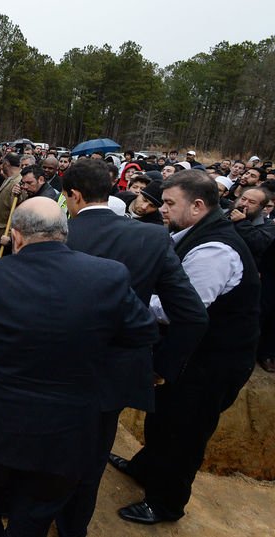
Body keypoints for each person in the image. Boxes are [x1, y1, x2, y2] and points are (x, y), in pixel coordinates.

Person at [0, 197, 159, 537]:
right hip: (69, 426)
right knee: (38, 510)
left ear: (16, 237)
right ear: (65, 233)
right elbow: (143, 332)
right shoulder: (108, 276)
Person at [56, 159, 208, 537]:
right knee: (90, 462)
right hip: (114, 373)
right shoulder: (151, 238)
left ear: (73, 196)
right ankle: (73, 528)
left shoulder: (54, 236)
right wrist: (159, 366)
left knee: (44, 449)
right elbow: (192, 315)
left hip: (52, 370)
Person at [113, 171, 261, 525]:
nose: (160, 209)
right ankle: (146, 467)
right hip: (190, 353)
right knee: (163, 417)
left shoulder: (215, 249)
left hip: (213, 362)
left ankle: (166, 503)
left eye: (168, 203)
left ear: (197, 206)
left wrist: (129, 298)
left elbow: (181, 308)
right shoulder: (191, 233)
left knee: (185, 431)